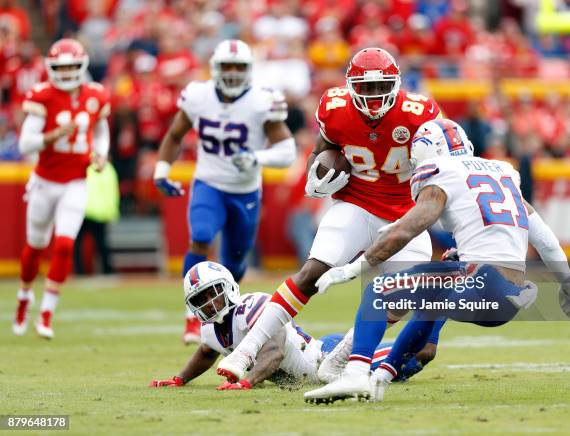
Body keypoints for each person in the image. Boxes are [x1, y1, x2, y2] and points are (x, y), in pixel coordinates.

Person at [304, 118, 570, 403]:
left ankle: (355, 374)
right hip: (506, 298)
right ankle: (386, 369)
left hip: (481, 282)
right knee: (435, 296)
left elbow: (411, 228)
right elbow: (546, 241)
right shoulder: (503, 172)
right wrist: (568, 283)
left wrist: (352, 268)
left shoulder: (442, 171)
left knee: (379, 290)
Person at [216, 47, 444, 382]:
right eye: (365, 88)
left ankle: (338, 359)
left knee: (395, 298)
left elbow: (441, 168)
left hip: (405, 215)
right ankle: (246, 351)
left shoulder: (419, 112)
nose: (374, 96)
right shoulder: (335, 108)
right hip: (356, 205)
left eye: (381, 87)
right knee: (311, 272)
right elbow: (323, 150)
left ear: (396, 84)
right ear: (351, 86)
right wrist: (315, 177)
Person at [153, 39, 296, 345]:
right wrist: (162, 169)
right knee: (201, 236)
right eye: (226, 66)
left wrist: (258, 157)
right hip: (208, 183)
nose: (232, 72)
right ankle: (192, 318)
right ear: (215, 68)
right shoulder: (198, 95)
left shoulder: (262, 100)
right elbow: (175, 134)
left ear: (249, 70)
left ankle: (224, 320)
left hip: (244, 192)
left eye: (239, 67)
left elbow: (287, 150)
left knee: (235, 263)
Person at [149, 261, 437, 389]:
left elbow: (273, 352)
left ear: (229, 287)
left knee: (424, 350)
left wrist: (248, 382)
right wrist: (180, 379)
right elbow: (206, 352)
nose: (210, 303)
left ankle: (436, 296)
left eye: (213, 293)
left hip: (329, 357)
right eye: (202, 299)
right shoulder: (210, 329)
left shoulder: (252, 307)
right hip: (316, 363)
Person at [12, 38, 111, 339]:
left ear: (81, 66)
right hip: (44, 181)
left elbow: (101, 130)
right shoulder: (42, 95)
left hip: (76, 181)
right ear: (51, 68)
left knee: (66, 244)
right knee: (35, 247)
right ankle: (25, 296)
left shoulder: (95, 95)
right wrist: (53, 135)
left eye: (71, 66)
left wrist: (101, 153)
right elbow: (25, 143)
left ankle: (46, 312)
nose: (67, 72)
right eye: (61, 67)